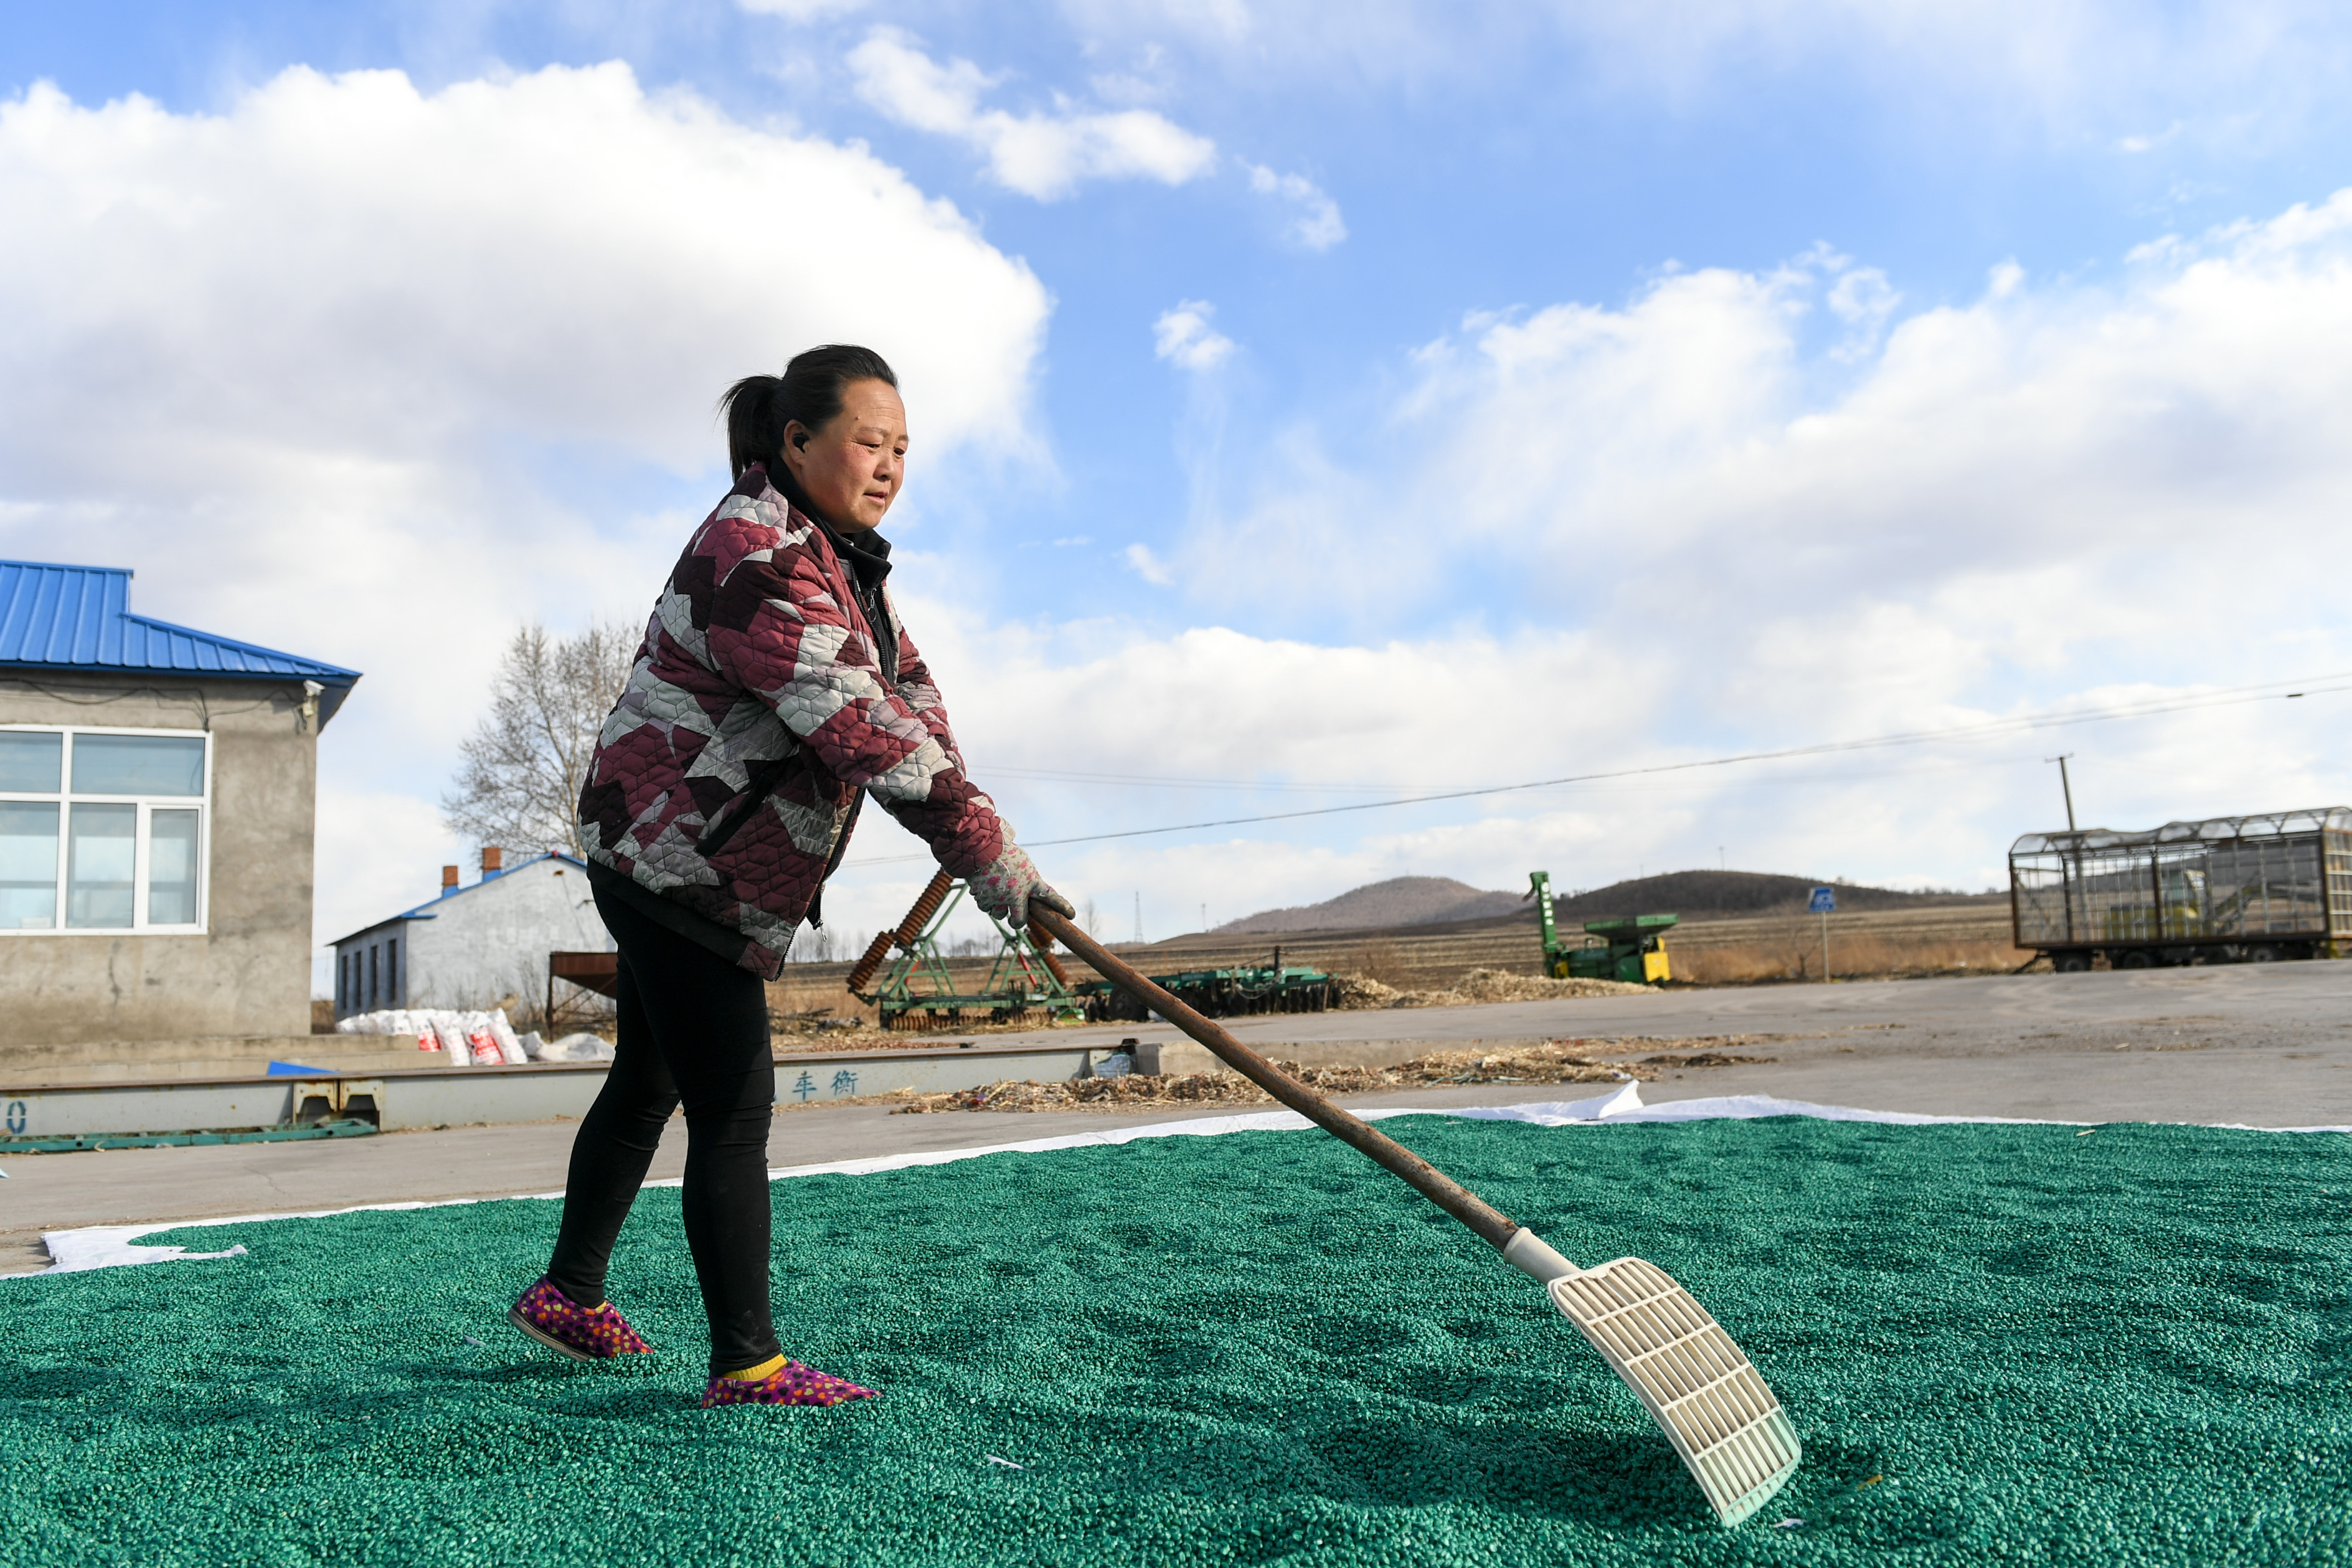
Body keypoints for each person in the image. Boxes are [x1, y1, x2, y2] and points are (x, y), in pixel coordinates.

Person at [506, 344, 1072, 1408]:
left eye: (902, 447)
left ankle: (568, 1292)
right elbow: (859, 725)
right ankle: (748, 1363)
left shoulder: (847, 562)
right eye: (869, 440)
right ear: (797, 442)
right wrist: (980, 843)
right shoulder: (758, 553)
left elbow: (909, 700)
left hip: (679, 853)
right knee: (734, 1105)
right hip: (680, 857)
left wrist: (990, 843)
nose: (889, 463)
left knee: (649, 1080)